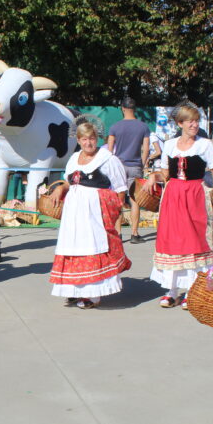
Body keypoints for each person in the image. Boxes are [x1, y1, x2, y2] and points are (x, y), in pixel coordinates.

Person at [145, 104, 213, 308]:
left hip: (195, 194)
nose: (194, 125)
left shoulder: (204, 144)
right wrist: (153, 176)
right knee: (172, 240)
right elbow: (166, 174)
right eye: (190, 121)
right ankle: (171, 291)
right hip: (173, 195)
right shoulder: (169, 145)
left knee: (194, 241)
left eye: (196, 121)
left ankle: (192, 290)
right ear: (180, 124)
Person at [49, 122, 131, 308]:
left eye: (92, 139)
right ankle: (74, 290)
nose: (89, 143)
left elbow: (119, 190)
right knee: (73, 246)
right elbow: (72, 181)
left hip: (95, 213)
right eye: (84, 139)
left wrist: (114, 214)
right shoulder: (74, 158)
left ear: (97, 139)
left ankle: (93, 294)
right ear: (78, 140)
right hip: (74, 213)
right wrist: (62, 187)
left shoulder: (108, 159)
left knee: (92, 246)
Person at [105, 97, 150, 243]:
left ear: (122, 108)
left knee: (119, 200)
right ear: (134, 108)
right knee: (134, 200)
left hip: (118, 166)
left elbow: (110, 150)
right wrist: (142, 164)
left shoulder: (115, 127)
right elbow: (146, 149)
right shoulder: (143, 127)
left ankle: (118, 233)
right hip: (135, 165)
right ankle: (134, 233)